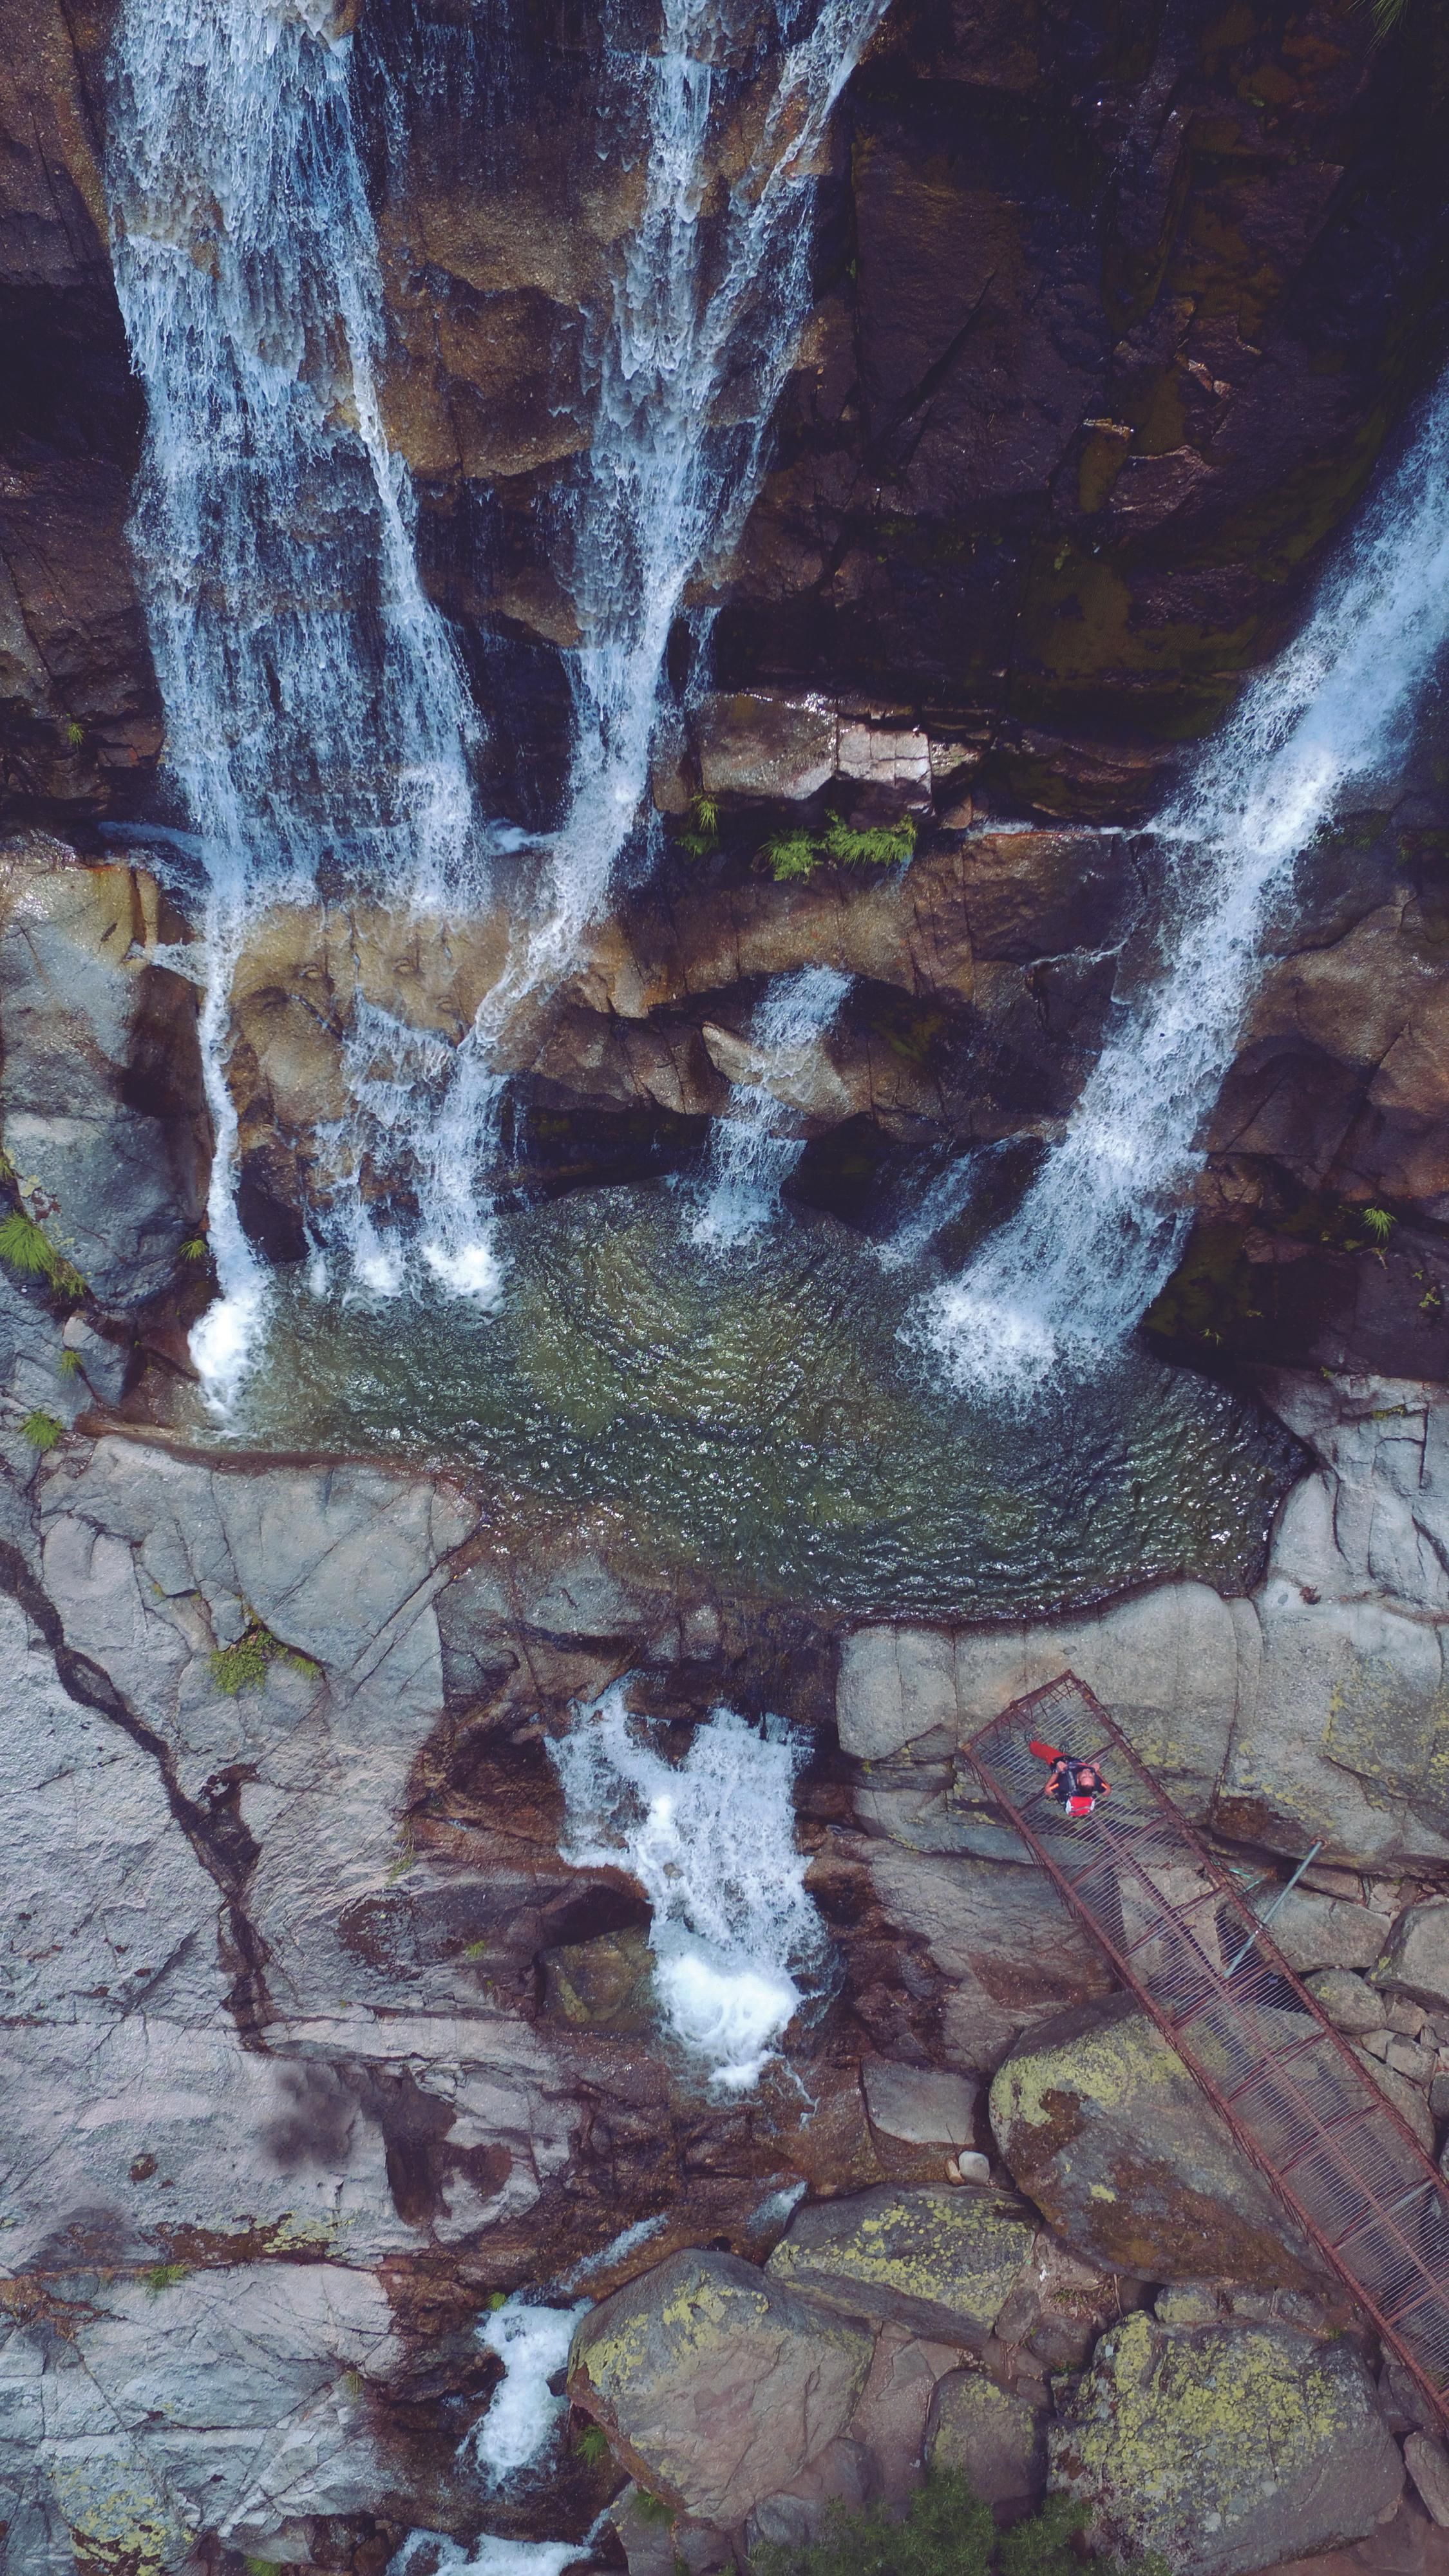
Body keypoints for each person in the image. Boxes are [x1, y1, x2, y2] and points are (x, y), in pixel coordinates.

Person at [1029, 1739, 1111, 1816]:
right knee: (1065, 1757)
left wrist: (1057, 1772)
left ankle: (1032, 1744)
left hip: (1062, 1766)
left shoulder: (1065, 1782)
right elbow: (1108, 1792)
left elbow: (1048, 1791)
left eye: (1084, 1776)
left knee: (1045, 1751)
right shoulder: (1096, 1782)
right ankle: (1063, 1753)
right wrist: (1097, 1772)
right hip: (1074, 1765)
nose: (1087, 1772)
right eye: (1090, 1776)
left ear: (1078, 1780)